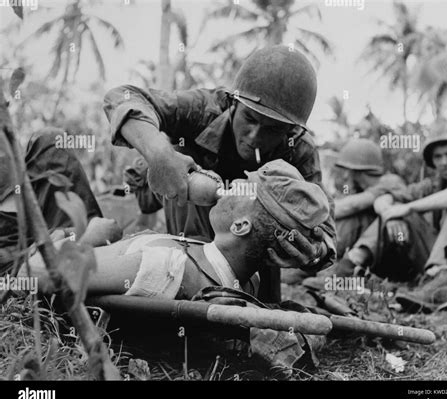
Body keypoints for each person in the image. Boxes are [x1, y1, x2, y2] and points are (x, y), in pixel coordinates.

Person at [103, 45, 337, 301]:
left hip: (250, 252)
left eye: (272, 129)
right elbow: (121, 97)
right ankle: (191, 276)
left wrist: (313, 251)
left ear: (291, 130)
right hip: (171, 197)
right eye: (250, 119)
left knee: (266, 285)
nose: (254, 137)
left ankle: (251, 301)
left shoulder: (299, 149)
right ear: (233, 103)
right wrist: (160, 155)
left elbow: (324, 233)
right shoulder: (205, 109)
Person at [30, 160, 329, 300]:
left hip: (37, 262)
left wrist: (87, 237)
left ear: (240, 226)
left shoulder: (167, 265)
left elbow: (34, 276)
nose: (233, 183)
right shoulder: (249, 281)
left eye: (243, 187)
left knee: (53, 153)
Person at [340, 121, 447, 311]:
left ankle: (444, 280)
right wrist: (393, 215)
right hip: (433, 264)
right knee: (398, 211)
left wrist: (408, 208)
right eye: (438, 156)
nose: (444, 162)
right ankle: (349, 264)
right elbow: (384, 198)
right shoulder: (431, 186)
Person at [0, 128, 105, 277]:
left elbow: (107, 229)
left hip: (55, 231)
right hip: (18, 260)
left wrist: (67, 233)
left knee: (51, 139)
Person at [333, 138, 405, 259]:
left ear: (357, 172)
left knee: (350, 217)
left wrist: (316, 213)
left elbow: (352, 205)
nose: (345, 175)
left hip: (395, 250)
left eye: (348, 170)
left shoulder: (389, 181)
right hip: (374, 249)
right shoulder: (362, 188)